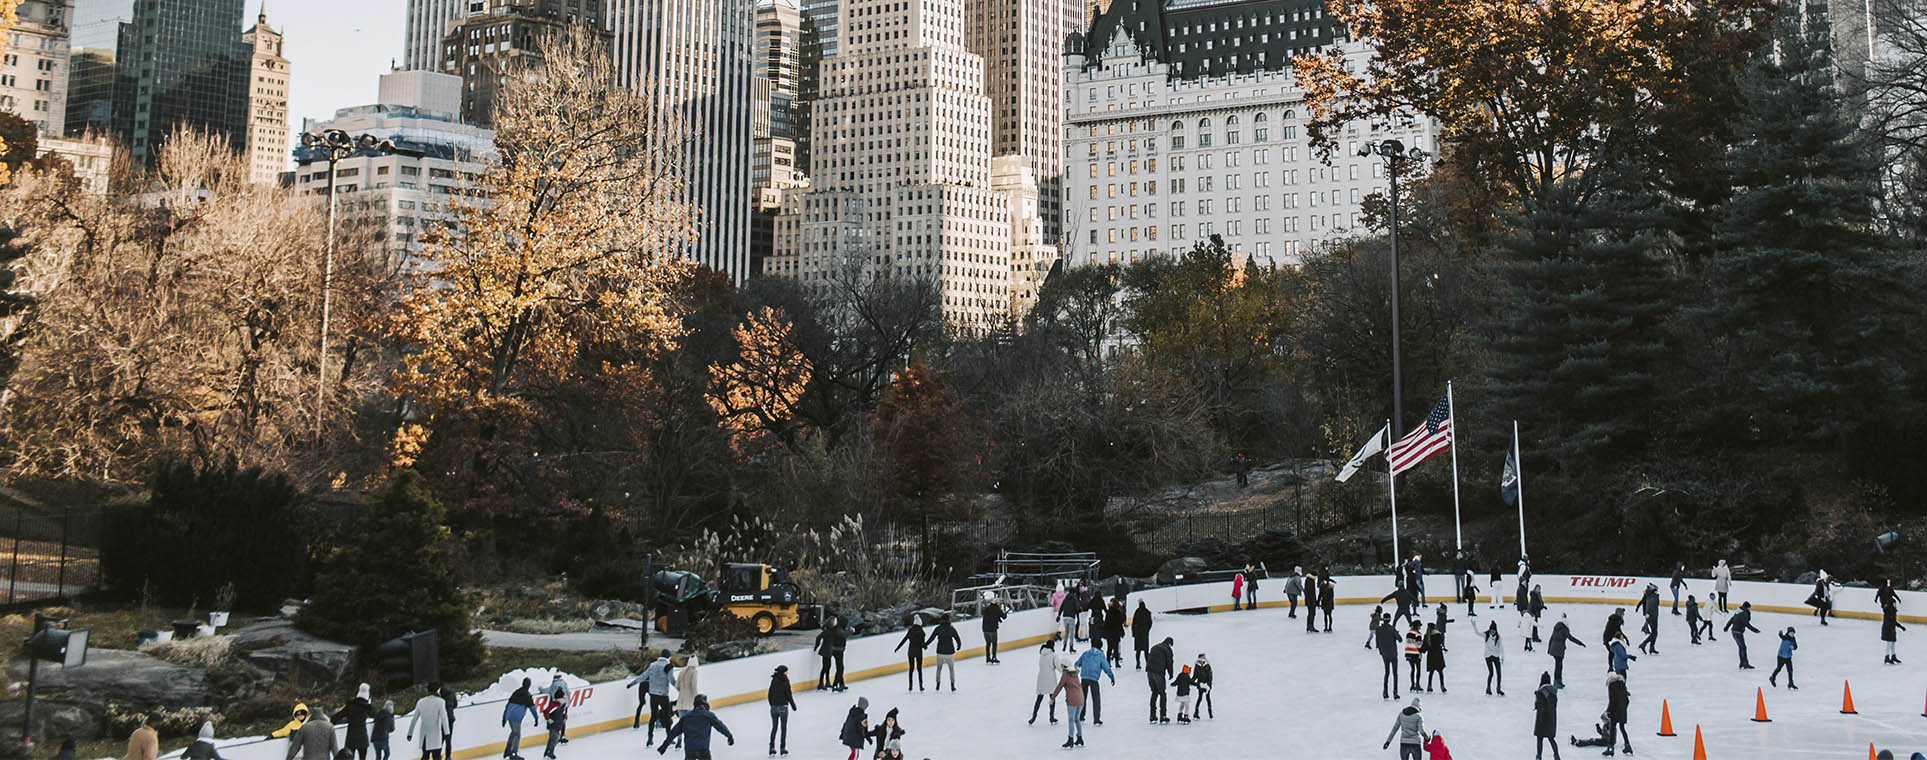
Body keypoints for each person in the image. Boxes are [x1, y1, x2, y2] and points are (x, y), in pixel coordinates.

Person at [658, 695, 732, 760]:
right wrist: (729, 736)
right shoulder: (708, 715)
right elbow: (720, 726)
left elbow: (674, 732)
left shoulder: (686, 717)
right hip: (703, 749)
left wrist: (664, 745)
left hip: (690, 749)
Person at [629, 651, 676, 740]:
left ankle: (650, 738)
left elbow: (643, 676)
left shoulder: (653, 665)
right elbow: (672, 680)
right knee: (667, 716)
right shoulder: (668, 666)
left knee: (653, 716)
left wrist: (632, 684)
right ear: (669, 657)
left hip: (653, 695)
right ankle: (669, 738)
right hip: (663, 695)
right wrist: (681, 689)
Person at [1077, 641, 1116, 726]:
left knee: (1082, 698)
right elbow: (1106, 668)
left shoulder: (1085, 654)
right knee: (1096, 699)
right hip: (1094, 679)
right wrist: (1112, 677)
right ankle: (1096, 719)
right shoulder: (1101, 656)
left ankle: (1080, 716)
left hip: (1084, 678)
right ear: (1100, 647)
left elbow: (1077, 664)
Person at [404, 688, 450, 760]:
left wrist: (410, 733)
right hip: (436, 736)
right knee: (436, 756)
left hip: (425, 735)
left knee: (425, 755)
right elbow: (444, 718)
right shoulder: (440, 702)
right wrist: (447, 733)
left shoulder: (421, 702)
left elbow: (414, 719)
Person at [501, 678, 539, 760]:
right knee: (517, 734)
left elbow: (508, 705)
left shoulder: (516, 692)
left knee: (513, 733)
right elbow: (533, 708)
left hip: (510, 716)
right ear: (529, 685)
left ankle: (507, 752)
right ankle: (513, 753)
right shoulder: (527, 696)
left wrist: (504, 718)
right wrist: (536, 718)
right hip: (516, 718)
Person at [1052, 662, 1088, 747]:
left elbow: (1059, 686)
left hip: (1072, 700)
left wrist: (1053, 697)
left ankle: (1070, 739)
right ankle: (1080, 738)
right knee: (1077, 719)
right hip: (1081, 699)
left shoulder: (1066, 674)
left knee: (1071, 720)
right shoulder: (1075, 674)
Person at [336, 684, 374, 760]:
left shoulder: (350, 706)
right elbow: (375, 715)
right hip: (362, 738)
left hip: (351, 739)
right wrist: (370, 704)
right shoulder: (366, 707)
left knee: (348, 758)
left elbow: (337, 717)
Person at [1546, 614, 1584, 688]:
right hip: (1559, 650)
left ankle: (1558, 681)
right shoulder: (1564, 630)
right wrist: (1580, 643)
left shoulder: (1556, 628)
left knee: (1558, 666)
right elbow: (1571, 638)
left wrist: (1549, 649)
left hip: (1554, 650)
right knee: (1558, 666)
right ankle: (1557, 682)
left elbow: (1551, 638)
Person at [767, 665, 796, 756]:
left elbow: (769, 694)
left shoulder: (774, 680)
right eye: (786, 671)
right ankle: (782, 748)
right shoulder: (785, 680)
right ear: (783, 672)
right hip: (783, 707)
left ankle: (771, 748)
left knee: (774, 727)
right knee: (783, 728)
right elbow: (788, 694)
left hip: (774, 708)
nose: (787, 673)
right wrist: (793, 706)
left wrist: (772, 704)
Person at [673, 656, 702, 746]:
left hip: (681, 701)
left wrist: (682, 692)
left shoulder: (681, 672)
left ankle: (679, 740)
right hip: (690, 701)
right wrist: (697, 698)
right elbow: (694, 687)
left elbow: (676, 686)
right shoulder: (694, 672)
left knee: (681, 722)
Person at [1030, 641, 1060, 725]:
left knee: (1039, 699)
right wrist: (1066, 671)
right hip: (1050, 678)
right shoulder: (1054, 655)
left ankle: (1033, 717)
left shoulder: (1042, 655)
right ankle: (1051, 717)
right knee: (1052, 698)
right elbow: (1058, 666)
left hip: (1041, 679)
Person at [1724, 601, 1761, 669]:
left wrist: (1726, 627)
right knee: (1743, 647)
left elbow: (1732, 619)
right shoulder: (1743, 613)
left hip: (1734, 631)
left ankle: (1742, 663)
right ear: (1747, 607)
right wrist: (1755, 630)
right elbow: (1746, 623)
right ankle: (1745, 664)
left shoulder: (1739, 611)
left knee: (1741, 647)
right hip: (1738, 632)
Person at [1533, 672, 1561, 760]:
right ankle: (1556, 755)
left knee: (1539, 739)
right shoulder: (1553, 692)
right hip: (1551, 719)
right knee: (1551, 739)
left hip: (1542, 719)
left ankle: (1539, 756)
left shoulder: (1540, 692)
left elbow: (1539, 705)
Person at [1147, 636, 1176, 723]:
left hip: (1149, 671)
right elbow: (1170, 662)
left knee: (1154, 692)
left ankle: (1152, 715)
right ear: (1170, 644)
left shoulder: (1154, 647)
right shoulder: (1167, 649)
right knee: (1162, 693)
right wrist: (1171, 674)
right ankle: (1163, 715)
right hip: (1159, 673)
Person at [894, 618, 927, 691]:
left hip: (911, 652)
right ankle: (921, 686)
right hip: (918, 652)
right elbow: (922, 644)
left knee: (911, 669)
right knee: (919, 669)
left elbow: (904, 639)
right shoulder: (922, 632)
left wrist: (897, 648)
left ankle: (910, 686)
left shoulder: (910, 630)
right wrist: (925, 646)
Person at [1603, 673, 1631, 756]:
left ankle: (1610, 748)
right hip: (1623, 710)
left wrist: (1608, 711)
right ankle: (1628, 746)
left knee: (1612, 728)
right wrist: (1624, 708)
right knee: (1622, 728)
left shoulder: (1611, 686)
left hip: (1615, 710)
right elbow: (1627, 700)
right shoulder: (1623, 686)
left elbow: (1612, 700)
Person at [1377, 614, 1404, 700]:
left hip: (1385, 654)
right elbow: (1400, 639)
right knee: (1395, 674)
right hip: (1393, 654)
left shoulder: (1379, 630)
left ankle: (1385, 693)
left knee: (1387, 673)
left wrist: (1381, 652)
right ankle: (1395, 693)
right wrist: (1396, 633)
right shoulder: (1392, 629)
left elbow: (1377, 642)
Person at [932, 615, 963, 691]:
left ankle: (937, 685)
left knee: (939, 669)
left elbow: (931, 638)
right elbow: (957, 638)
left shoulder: (938, 629)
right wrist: (959, 645)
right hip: (950, 652)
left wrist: (925, 644)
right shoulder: (951, 629)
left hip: (940, 652)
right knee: (951, 669)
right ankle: (952, 686)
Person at [540, 688, 567, 760]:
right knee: (554, 739)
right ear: (558, 698)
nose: (562, 700)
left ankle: (547, 753)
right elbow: (546, 712)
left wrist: (564, 716)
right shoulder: (554, 705)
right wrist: (549, 720)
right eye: (561, 698)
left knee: (553, 739)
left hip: (557, 725)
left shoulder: (560, 705)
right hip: (553, 725)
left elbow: (561, 714)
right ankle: (549, 753)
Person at [815, 618, 841, 691]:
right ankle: (821, 683)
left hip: (829, 650)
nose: (836, 622)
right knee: (825, 667)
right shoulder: (828, 631)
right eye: (835, 621)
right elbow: (819, 637)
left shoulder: (832, 630)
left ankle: (827, 681)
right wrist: (816, 646)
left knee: (828, 667)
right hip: (825, 651)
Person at [981, 595, 1007, 663]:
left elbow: (991, 616)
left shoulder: (987, 608)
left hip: (985, 629)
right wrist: (1004, 612)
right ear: (997, 603)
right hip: (992, 630)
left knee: (988, 643)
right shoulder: (997, 609)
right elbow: (1004, 616)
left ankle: (987, 658)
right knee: (994, 643)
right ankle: (994, 657)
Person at [1423, 622, 1448, 693]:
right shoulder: (1438, 634)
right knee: (1440, 672)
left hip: (1431, 656)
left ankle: (1429, 685)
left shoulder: (1427, 635)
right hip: (1438, 655)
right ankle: (1442, 686)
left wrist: (1420, 650)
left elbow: (1425, 646)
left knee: (1431, 672)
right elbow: (1441, 642)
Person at [1637, 584, 1661, 655]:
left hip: (1653, 616)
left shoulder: (1651, 596)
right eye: (1656, 590)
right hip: (1652, 617)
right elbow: (1651, 606)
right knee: (1654, 633)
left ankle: (1651, 648)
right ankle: (1643, 644)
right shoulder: (1653, 597)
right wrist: (1648, 614)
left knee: (1655, 633)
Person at [1882, 598, 1907, 664]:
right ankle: (1886, 657)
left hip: (1892, 629)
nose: (1895, 605)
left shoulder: (1892, 611)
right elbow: (1887, 621)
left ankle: (1893, 656)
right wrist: (1890, 628)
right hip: (1888, 629)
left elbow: (1894, 621)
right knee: (1889, 643)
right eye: (1894, 603)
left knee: (1893, 643)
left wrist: (1901, 627)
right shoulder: (1888, 611)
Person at [1103, 596, 1127, 666]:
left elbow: (1106, 623)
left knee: (1109, 648)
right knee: (1116, 648)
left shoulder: (1108, 613)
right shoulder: (1118, 612)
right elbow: (1120, 623)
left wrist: (1105, 632)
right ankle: (1116, 662)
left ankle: (1108, 662)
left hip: (1109, 633)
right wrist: (1122, 631)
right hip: (1116, 632)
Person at [1483, 622, 1505, 696]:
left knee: (1499, 673)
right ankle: (1488, 688)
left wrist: (1502, 657)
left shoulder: (1498, 638)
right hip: (1488, 656)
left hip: (1496, 656)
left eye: (1493, 631)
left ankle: (1498, 689)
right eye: (1491, 630)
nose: (1492, 632)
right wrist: (1474, 625)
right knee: (1491, 673)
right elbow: (1477, 633)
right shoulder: (1486, 635)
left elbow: (1501, 647)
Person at [1130, 601, 1153, 670]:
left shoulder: (1137, 612)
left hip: (1138, 634)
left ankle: (1138, 663)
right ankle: (1147, 664)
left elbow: (1133, 623)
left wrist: (1133, 633)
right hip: (1145, 634)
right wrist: (1147, 630)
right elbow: (1150, 623)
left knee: (1138, 650)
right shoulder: (1147, 612)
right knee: (1146, 651)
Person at [1404, 621, 1425, 693]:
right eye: (1419, 626)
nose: (1420, 627)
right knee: (1418, 669)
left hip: (1408, 653)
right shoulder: (1417, 633)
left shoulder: (1409, 632)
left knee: (1412, 669)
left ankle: (1412, 684)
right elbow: (1419, 645)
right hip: (1415, 653)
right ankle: (1417, 685)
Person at [1192, 653, 1214, 719]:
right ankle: (1196, 713)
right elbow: (1195, 675)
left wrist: (1209, 685)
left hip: (1207, 685)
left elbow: (1210, 676)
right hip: (1200, 685)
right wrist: (1191, 681)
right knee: (1199, 698)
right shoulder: (1197, 666)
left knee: (1208, 699)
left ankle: (1210, 713)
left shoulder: (1207, 666)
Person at [440, 683, 461, 749]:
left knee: (440, 739)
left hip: (442, 719)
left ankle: (437, 755)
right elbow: (455, 704)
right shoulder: (452, 693)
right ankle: (448, 756)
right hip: (450, 718)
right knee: (448, 739)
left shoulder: (440, 694)